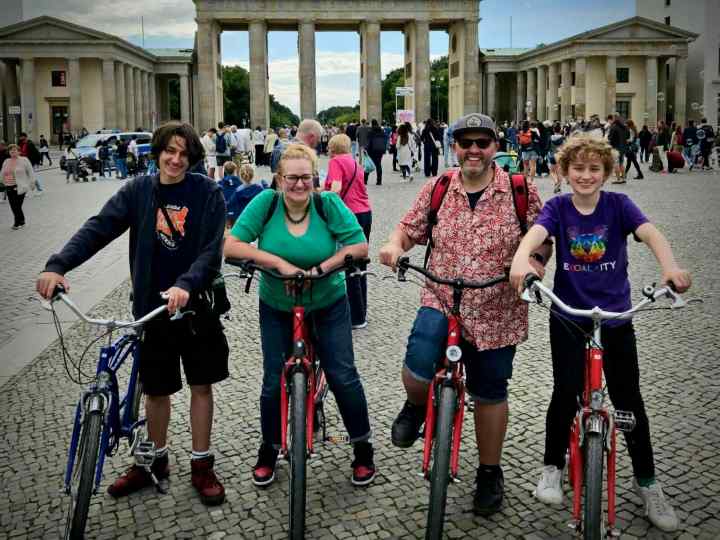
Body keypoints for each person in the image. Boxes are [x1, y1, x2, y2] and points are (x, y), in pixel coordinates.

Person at [36, 121, 229, 506]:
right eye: (169, 151)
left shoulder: (207, 192)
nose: (175, 159)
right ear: (157, 151)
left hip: (196, 310)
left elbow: (212, 250)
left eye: (183, 153)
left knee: (200, 386)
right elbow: (99, 228)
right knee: (155, 390)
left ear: (192, 157)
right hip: (151, 310)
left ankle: (201, 464)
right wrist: (58, 265)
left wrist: (186, 285)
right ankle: (154, 461)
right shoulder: (139, 191)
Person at [509, 133, 691, 534]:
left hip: (616, 317)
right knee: (564, 393)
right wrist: (521, 263)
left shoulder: (619, 205)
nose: (586, 175)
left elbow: (651, 234)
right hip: (570, 317)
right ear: (563, 171)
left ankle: (649, 485)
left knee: (629, 401)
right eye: (578, 168)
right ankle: (552, 468)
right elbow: (534, 238)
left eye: (594, 169)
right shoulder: (557, 207)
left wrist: (670, 269)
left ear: (607, 173)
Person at [379, 113, 549, 516]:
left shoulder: (520, 189)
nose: (473, 149)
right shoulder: (437, 188)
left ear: (495, 146)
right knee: (419, 361)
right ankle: (416, 405)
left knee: (490, 391)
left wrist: (534, 265)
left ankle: (490, 472)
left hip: (497, 307)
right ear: (453, 145)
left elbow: (542, 240)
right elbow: (408, 228)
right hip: (441, 295)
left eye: (482, 142)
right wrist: (393, 245)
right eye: (465, 142)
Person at [224, 143, 376, 487]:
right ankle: (269, 447)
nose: (298, 184)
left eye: (305, 178)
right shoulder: (266, 203)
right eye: (291, 178)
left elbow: (359, 246)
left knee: (342, 374)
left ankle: (362, 447)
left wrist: (321, 268)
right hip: (277, 303)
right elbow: (232, 245)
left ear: (315, 178)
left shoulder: (328, 204)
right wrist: (279, 264)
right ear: (278, 179)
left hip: (328, 300)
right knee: (271, 379)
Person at [325, 133, 372, 328]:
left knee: (349, 263)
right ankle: (361, 309)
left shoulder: (336, 162)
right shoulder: (355, 162)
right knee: (360, 264)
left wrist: (321, 195)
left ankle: (355, 317)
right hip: (365, 212)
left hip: (348, 216)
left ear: (332, 147)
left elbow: (335, 189)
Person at [1, 144, 36, 229]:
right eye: (11, 150)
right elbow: (2, 173)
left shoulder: (24, 160)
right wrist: (2, 181)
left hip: (20, 187)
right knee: (14, 206)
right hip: (9, 186)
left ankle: (17, 223)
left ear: (19, 151)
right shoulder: (6, 161)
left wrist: (32, 182)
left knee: (17, 206)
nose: (12, 151)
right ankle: (22, 221)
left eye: (14, 150)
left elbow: (31, 172)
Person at [219, 161, 242, 226]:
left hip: (225, 207)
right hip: (236, 207)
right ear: (234, 170)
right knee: (235, 226)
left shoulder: (220, 182)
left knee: (226, 225)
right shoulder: (239, 181)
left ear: (225, 171)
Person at [607, 115, 629, 184]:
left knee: (616, 163)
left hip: (616, 148)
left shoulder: (613, 127)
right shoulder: (624, 128)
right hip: (623, 148)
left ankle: (618, 179)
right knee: (621, 163)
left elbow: (610, 138)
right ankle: (623, 178)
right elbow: (627, 136)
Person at [364, 119, 386, 185]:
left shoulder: (370, 131)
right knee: (378, 165)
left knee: (369, 165)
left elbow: (368, 142)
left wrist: (366, 149)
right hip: (380, 150)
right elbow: (384, 140)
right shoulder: (382, 131)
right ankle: (379, 181)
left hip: (372, 150)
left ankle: (365, 180)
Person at [547, 123, 565, 193]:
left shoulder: (550, 137)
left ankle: (556, 182)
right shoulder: (563, 138)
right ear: (560, 129)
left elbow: (547, 147)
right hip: (560, 155)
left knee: (552, 171)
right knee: (559, 172)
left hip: (552, 155)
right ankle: (558, 186)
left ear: (553, 129)